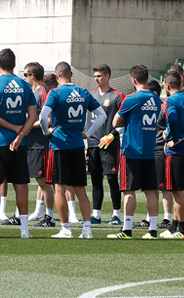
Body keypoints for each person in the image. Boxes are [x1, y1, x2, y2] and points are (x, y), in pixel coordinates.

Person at [0, 48, 36, 239]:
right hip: (20, 143)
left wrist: (13, 128)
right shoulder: (25, 85)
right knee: (21, 185)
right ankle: (25, 229)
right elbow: (33, 115)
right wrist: (20, 133)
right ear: (14, 64)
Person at [40, 62, 105, 239]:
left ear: (57, 75)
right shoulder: (83, 92)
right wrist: (88, 133)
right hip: (77, 145)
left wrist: (47, 132)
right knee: (80, 190)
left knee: (59, 189)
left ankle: (66, 229)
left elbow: (42, 116)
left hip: (60, 145)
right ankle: (87, 229)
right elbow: (102, 115)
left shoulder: (55, 93)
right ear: (71, 75)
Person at [105, 65, 160, 240]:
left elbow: (115, 122)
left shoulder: (131, 99)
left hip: (132, 150)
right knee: (151, 191)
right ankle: (152, 230)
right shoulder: (157, 99)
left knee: (129, 191)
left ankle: (127, 229)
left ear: (134, 80)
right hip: (149, 151)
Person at [159, 74, 184, 239]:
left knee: (178, 191)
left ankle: (182, 230)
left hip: (177, 152)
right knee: (180, 190)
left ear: (167, 86)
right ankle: (174, 227)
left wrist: (173, 138)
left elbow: (173, 118)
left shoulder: (171, 101)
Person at [89, 64, 124, 226]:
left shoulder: (117, 96)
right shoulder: (91, 95)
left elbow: (125, 120)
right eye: (95, 76)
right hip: (93, 143)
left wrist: (112, 135)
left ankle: (116, 214)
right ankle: (96, 214)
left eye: (99, 76)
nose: (96, 78)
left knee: (111, 178)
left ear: (107, 76)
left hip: (110, 143)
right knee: (96, 179)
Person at [23, 62, 56, 226]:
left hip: (41, 143)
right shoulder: (35, 92)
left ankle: (50, 217)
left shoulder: (43, 92)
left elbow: (48, 119)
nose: (24, 78)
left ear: (32, 75)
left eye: (25, 74)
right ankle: (39, 213)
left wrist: (28, 125)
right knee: (39, 181)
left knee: (44, 182)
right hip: (33, 142)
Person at [149, 80, 173, 231]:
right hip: (148, 149)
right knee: (150, 186)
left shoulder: (163, 107)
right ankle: (149, 217)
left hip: (159, 149)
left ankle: (167, 218)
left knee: (163, 186)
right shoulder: (149, 107)